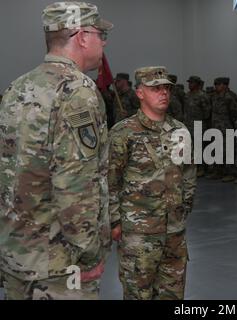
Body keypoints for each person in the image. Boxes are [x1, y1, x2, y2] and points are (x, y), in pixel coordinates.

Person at [0, 1, 113, 300]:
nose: (103, 42)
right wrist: (87, 256)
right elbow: (76, 185)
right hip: (59, 265)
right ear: (82, 36)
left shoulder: (16, 88)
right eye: (100, 34)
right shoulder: (77, 92)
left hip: (16, 253)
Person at [108, 66, 197, 300]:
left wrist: (183, 208)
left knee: (173, 295)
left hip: (175, 233)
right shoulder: (123, 133)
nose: (163, 93)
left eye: (166, 88)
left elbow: (188, 173)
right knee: (138, 295)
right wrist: (115, 221)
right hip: (139, 234)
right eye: (155, 88)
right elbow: (109, 181)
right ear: (140, 93)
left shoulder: (179, 130)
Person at [209, 77, 237, 182]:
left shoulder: (230, 97)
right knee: (217, 150)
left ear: (225, 85)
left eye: (218, 84)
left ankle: (230, 173)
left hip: (227, 128)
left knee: (228, 151)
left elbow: (234, 113)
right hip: (216, 128)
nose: (216, 86)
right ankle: (218, 171)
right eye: (215, 84)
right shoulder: (214, 97)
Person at [184, 75, 211, 177]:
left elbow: (207, 112)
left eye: (192, 82)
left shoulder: (202, 96)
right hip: (188, 124)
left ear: (197, 84)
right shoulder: (187, 95)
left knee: (199, 148)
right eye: (189, 82)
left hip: (199, 125)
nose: (190, 84)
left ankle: (201, 168)